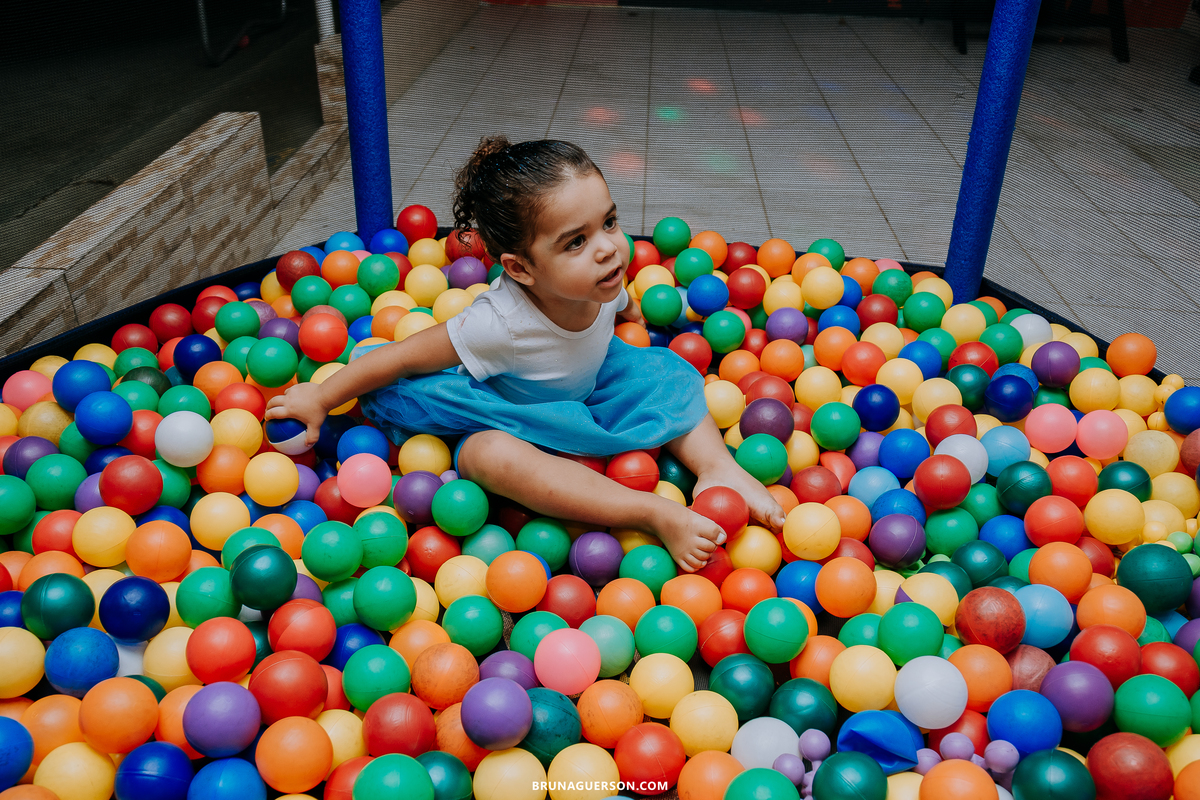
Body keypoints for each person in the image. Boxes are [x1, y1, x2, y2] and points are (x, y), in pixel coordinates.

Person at [266, 136, 785, 571]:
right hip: (512, 412)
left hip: (588, 390)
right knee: (484, 456)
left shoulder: (603, 280)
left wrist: (630, 316)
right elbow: (402, 357)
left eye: (608, 223)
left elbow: (622, 306)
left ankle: (717, 467)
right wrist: (320, 397)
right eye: (575, 242)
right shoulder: (499, 324)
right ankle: (649, 512)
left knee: (666, 369)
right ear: (519, 269)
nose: (607, 248)